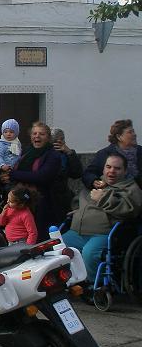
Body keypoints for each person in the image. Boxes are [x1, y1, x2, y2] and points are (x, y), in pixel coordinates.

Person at [63, 154, 142, 283]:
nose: (111, 171)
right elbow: (78, 199)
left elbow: (130, 210)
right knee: (57, 248)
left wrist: (103, 198)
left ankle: (94, 285)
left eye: (117, 168)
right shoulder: (96, 183)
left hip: (103, 234)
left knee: (89, 254)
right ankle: (68, 282)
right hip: (77, 231)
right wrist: (79, 210)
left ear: (125, 171)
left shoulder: (131, 188)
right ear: (103, 168)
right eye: (108, 167)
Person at [4, 122, 62, 242]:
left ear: (48, 137)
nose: (37, 136)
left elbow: (41, 176)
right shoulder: (26, 151)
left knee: (37, 236)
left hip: (41, 204)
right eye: (34, 133)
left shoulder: (53, 155)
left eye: (42, 134)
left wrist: (13, 175)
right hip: (22, 201)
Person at [83, 119, 142, 189]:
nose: (134, 134)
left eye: (133, 131)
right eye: (130, 132)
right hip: (115, 195)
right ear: (119, 137)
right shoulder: (105, 154)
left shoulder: (140, 151)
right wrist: (94, 181)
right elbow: (88, 173)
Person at [50, 127, 84, 223]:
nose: (59, 142)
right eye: (56, 140)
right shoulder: (45, 153)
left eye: (62, 139)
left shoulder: (66, 154)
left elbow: (77, 173)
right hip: (48, 196)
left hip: (63, 196)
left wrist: (70, 153)